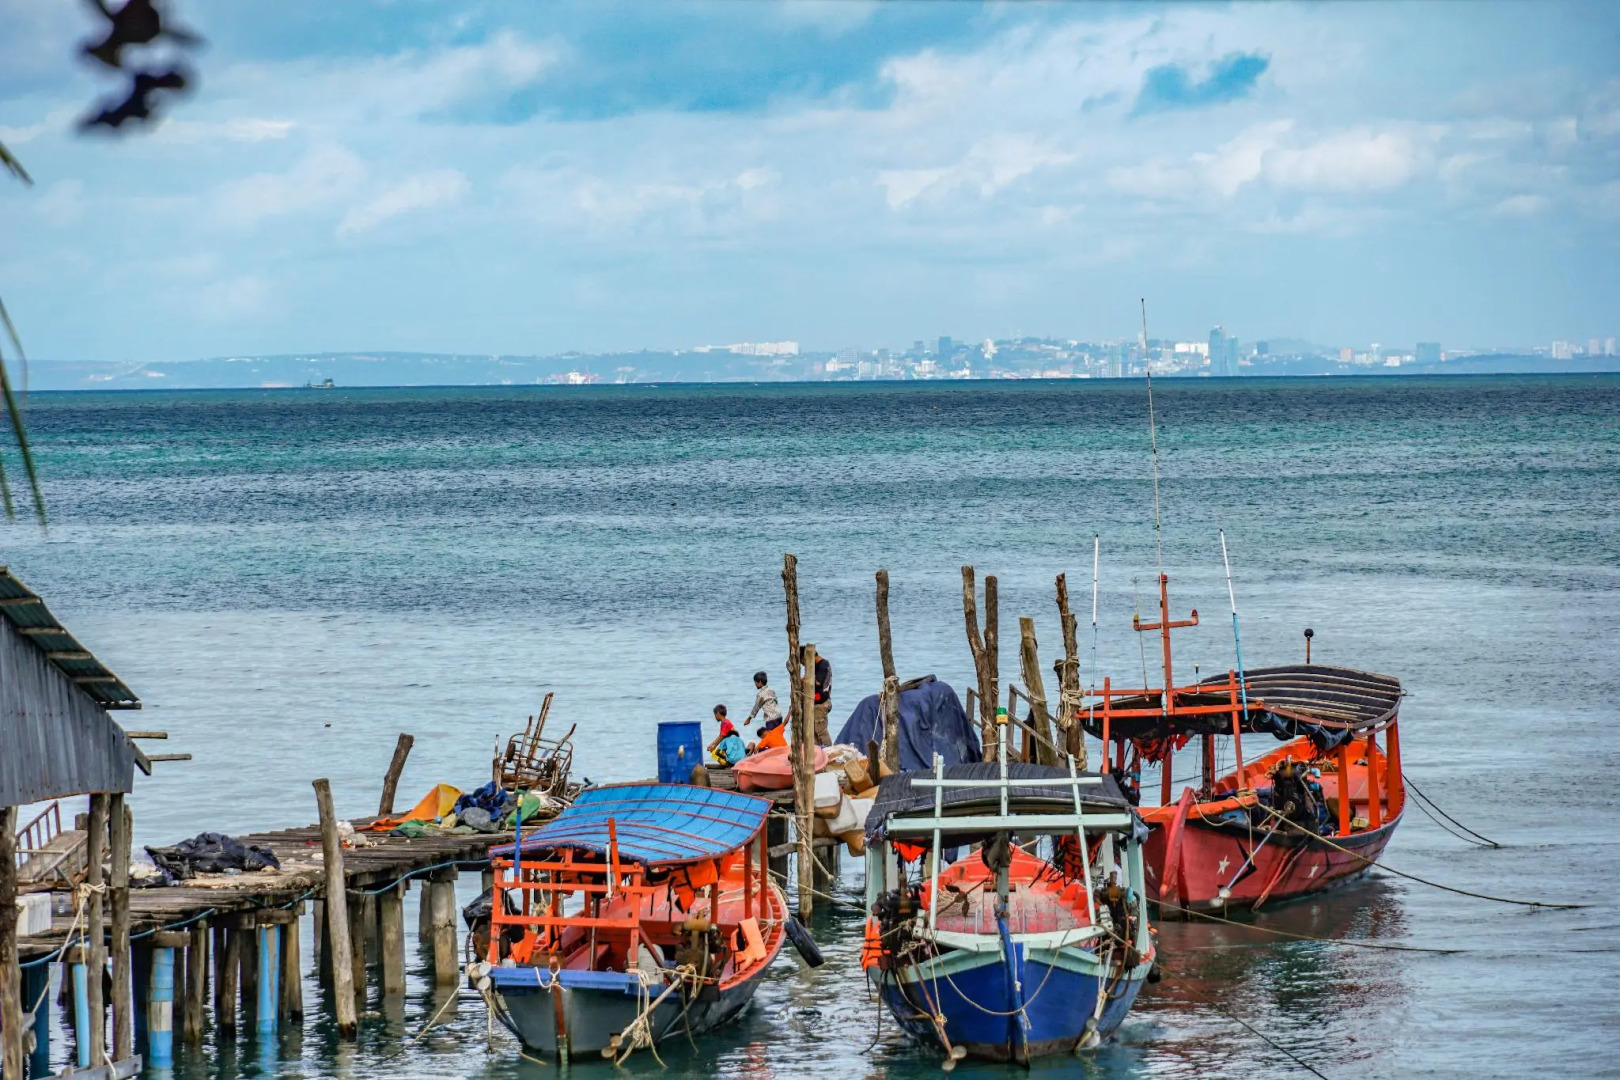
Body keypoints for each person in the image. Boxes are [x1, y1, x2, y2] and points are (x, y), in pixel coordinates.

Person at [812, 654, 832, 746]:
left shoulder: (823, 665)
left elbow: (818, 681)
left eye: (803, 662)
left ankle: (829, 751)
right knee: (814, 732)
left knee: (821, 731)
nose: (804, 665)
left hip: (822, 702)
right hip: (817, 702)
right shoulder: (818, 666)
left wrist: (804, 679)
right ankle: (819, 753)